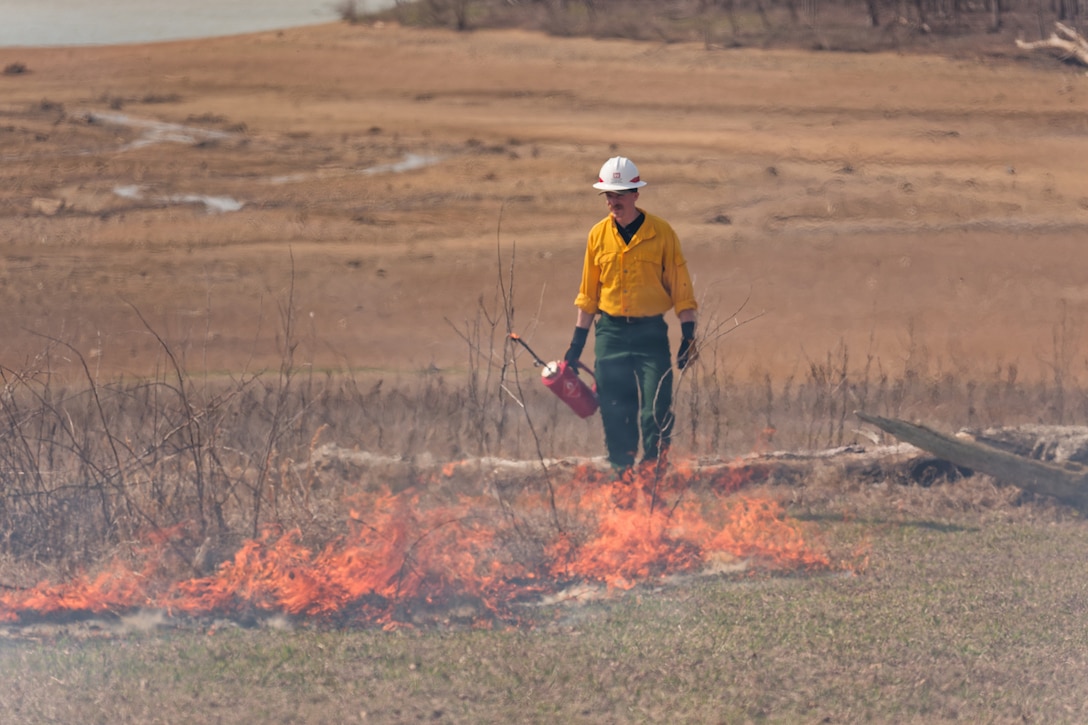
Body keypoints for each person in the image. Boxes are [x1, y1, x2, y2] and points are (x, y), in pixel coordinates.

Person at [564, 156, 698, 474]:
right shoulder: (597, 236)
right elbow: (588, 296)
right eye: (608, 195)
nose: (613, 201)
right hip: (610, 334)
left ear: (636, 193)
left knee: (656, 409)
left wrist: (689, 337)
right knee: (614, 410)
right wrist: (575, 347)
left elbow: (682, 290)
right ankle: (622, 475)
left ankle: (653, 472)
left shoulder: (662, 234)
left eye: (620, 194)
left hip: (650, 334)